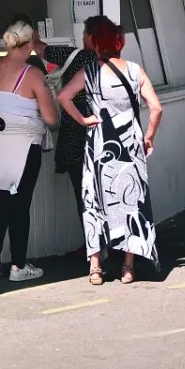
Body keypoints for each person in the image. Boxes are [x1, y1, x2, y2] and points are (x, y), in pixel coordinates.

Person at [56, 16, 162, 285]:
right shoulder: (135, 70)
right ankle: (128, 267)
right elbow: (156, 108)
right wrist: (148, 137)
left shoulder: (89, 72)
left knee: (94, 202)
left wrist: (83, 120)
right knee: (130, 203)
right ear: (119, 42)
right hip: (130, 146)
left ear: (94, 42)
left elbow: (63, 96)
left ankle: (95, 268)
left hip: (99, 147)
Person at [0, 18, 59, 282]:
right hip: (23, 148)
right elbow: (51, 118)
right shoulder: (32, 74)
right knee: (19, 207)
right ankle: (18, 266)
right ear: (29, 44)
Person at [51, 16, 104, 242]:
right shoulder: (117, 66)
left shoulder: (80, 58)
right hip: (103, 142)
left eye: (84, 33)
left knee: (85, 199)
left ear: (92, 37)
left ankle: (95, 249)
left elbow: (44, 50)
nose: (82, 37)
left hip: (77, 140)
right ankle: (108, 248)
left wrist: (33, 40)